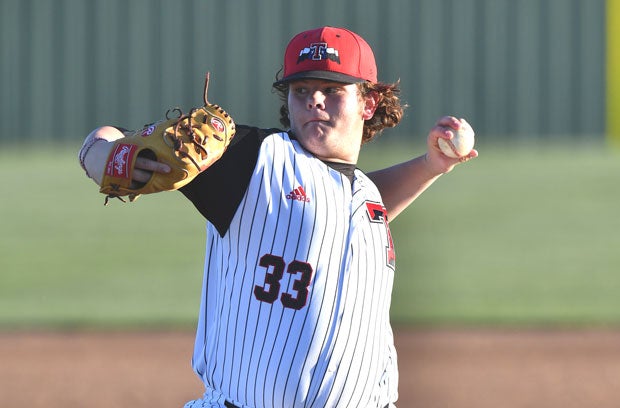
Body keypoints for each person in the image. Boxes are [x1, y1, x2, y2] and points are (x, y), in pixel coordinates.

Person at [79, 26, 477, 408]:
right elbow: (107, 139)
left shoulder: (363, 198)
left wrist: (430, 165)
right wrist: (103, 155)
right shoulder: (258, 160)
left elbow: (348, 211)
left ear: (368, 103)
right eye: (301, 90)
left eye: (332, 90)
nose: (314, 100)